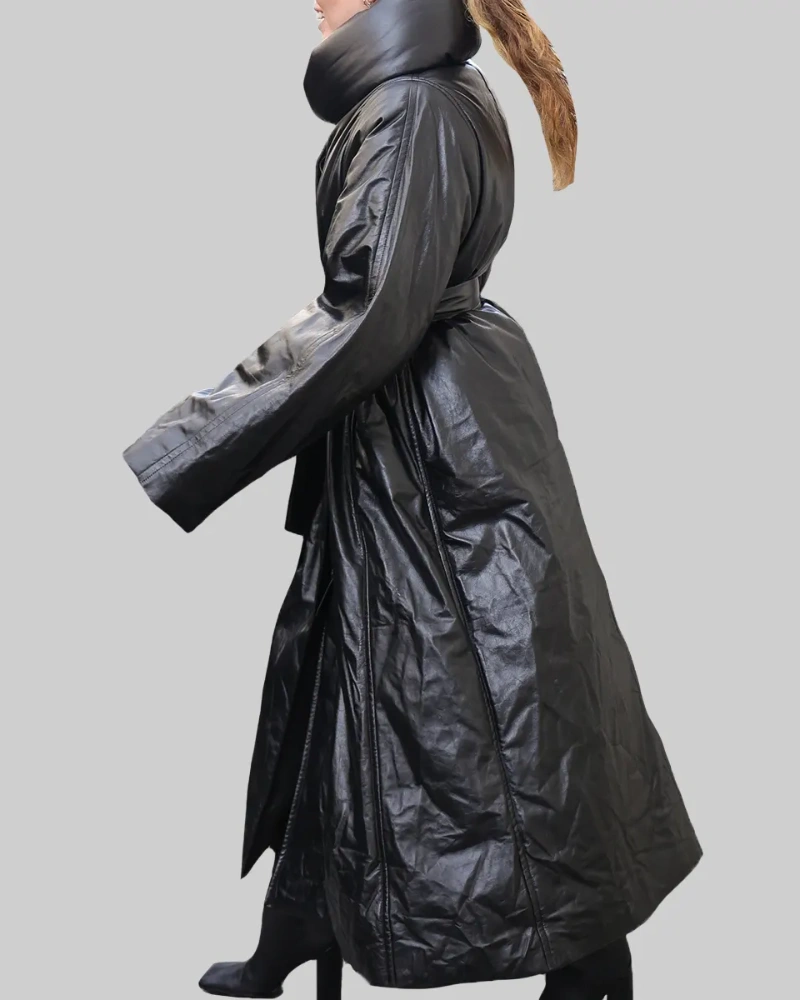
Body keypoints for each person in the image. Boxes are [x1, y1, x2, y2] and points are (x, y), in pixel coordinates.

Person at [122, 1, 702, 997]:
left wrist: (190, 438)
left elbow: (372, 307)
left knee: (507, 709)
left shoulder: (412, 108)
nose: (312, 1)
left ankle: (588, 957)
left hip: (433, 455)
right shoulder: (432, 92)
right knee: (345, 676)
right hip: (423, 429)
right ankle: (302, 921)